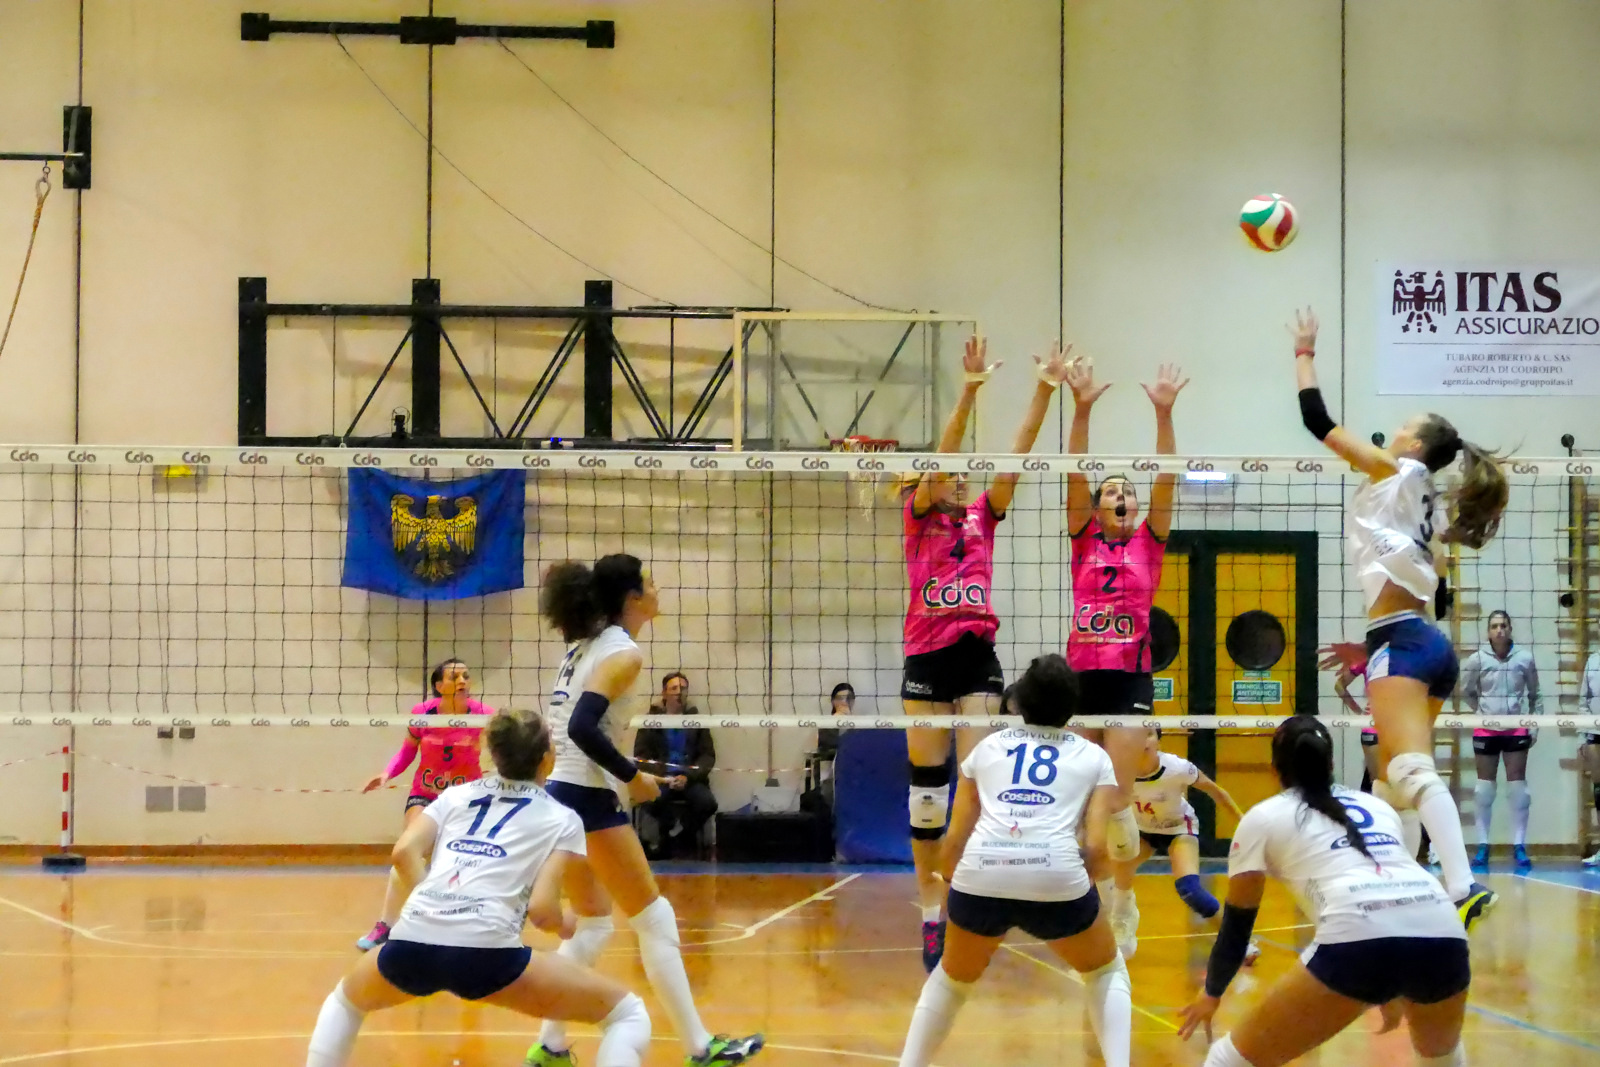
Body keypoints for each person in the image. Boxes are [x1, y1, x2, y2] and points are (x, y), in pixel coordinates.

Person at [1290, 306, 1506, 928]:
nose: (1392, 433)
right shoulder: (1424, 503)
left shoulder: (1396, 470)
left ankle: (1461, 886)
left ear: (1414, 446)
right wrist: (1372, 647)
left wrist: (1304, 352)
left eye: (1403, 427)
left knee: (1408, 770)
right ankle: (1407, 896)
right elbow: (1433, 590)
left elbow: (1317, 422)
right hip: (1420, 642)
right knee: (1388, 783)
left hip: (1405, 644)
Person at [305, 709, 653, 1067]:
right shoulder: (563, 818)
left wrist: (436, 900)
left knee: (345, 1003)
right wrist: (567, 925)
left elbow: (403, 852)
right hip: (488, 955)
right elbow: (542, 910)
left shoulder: (455, 796)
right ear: (548, 759)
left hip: (412, 941)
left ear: (492, 753)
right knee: (627, 1014)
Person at [528, 555, 764, 1067]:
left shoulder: (585, 645)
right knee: (655, 919)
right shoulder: (622, 652)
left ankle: (550, 1045)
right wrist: (631, 778)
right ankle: (700, 1047)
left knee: (594, 925)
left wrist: (628, 774)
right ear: (632, 597)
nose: (658, 589)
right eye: (650, 582)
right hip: (585, 798)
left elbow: (581, 731)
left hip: (562, 793)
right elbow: (581, 729)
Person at [898, 335, 1070, 971]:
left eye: (964, 474)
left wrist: (1044, 389)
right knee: (926, 794)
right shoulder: (919, 516)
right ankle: (929, 909)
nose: (961, 476)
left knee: (976, 778)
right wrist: (968, 392)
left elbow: (1016, 458)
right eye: (950, 473)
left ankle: (965, 896)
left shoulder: (982, 517)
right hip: (925, 658)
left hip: (976, 655)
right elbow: (943, 456)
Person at [1178, 717, 1470, 1067]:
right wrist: (1389, 987)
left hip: (1357, 934)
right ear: (1331, 764)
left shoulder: (1263, 818)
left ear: (1274, 769)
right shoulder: (1378, 808)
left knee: (1226, 1060)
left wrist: (1211, 993)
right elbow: (1391, 895)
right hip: (1443, 928)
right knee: (1443, 1060)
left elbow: (1236, 929)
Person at [895, 655, 1132, 1067]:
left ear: (1018, 703)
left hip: (980, 874)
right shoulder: (1094, 757)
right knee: (1105, 972)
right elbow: (1097, 848)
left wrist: (952, 885)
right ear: (1072, 707)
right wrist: (1077, 889)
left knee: (950, 982)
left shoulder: (987, 748)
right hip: (1056, 876)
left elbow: (955, 837)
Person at [1062, 353, 1188, 953]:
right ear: (1096, 506)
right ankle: (1094, 899)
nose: (1119, 495)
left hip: (1130, 678)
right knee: (1087, 799)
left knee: (1113, 796)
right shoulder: (1082, 536)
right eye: (1110, 490)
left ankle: (1119, 901)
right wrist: (1081, 408)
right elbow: (1072, 471)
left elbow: (1167, 478)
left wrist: (1163, 413)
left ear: (1135, 509)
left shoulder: (1149, 542)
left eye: (1126, 492)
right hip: (1082, 677)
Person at [356, 657, 493, 951]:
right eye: (454, 677)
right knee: (409, 851)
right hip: (426, 793)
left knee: (453, 861)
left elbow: (499, 752)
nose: (462, 681)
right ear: (439, 686)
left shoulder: (484, 715)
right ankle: (387, 925)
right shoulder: (422, 714)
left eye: (466, 676)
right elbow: (407, 752)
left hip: (466, 799)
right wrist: (387, 773)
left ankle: (451, 923)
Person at [1109, 728, 1244, 957]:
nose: (1143, 740)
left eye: (1149, 734)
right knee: (1110, 875)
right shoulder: (1118, 772)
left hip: (1178, 828)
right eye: (1137, 735)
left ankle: (1238, 942)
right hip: (1142, 832)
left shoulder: (1177, 768)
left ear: (1159, 742)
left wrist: (1244, 824)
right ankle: (1123, 922)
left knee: (1190, 890)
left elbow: (1216, 792)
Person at [1461, 610, 1542, 869]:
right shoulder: (1477, 659)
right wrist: (1481, 713)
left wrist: (1534, 725)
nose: (1499, 630)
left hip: (1515, 727)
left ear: (1510, 629)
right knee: (1484, 789)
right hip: (1486, 729)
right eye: (1495, 626)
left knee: (1518, 789)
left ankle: (1519, 846)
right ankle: (1483, 845)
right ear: (1488, 631)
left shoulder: (1524, 658)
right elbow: (1466, 690)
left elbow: (1535, 694)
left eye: (1504, 625)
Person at [633, 672, 718, 859]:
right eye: (674, 689)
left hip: (689, 778)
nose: (679, 693)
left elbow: (707, 756)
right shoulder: (650, 721)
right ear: (664, 693)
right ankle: (669, 830)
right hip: (661, 778)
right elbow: (640, 758)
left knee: (708, 803)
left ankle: (681, 835)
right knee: (649, 800)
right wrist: (663, 778)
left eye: (683, 689)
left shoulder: (697, 720)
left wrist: (688, 776)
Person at [1578, 649, 1600, 866]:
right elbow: (1583, 701)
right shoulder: (1593, 660)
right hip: (1595, 732)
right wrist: (1582, 737)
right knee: (1599, 789)